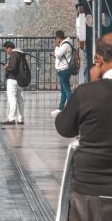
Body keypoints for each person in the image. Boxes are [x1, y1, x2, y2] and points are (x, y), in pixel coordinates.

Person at [55, 33, 112, 220]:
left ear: (99, 59)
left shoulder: (86, 93)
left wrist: (94, 86)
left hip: (91, 192)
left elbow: (64, 128)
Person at [1, 41, 27, 126]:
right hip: (19, 80)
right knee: (19, 99)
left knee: (12, 98)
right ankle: (21, 119)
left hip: (12, 80)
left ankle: (11, 119)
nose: (6, 51)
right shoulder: (20, 54)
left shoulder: (13, 55)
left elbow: (12, 69)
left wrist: (6, 67)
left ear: (9, 48)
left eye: (6, 49)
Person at [53, 30, 74, 117]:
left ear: (58, 38)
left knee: (67, 90)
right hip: (62, 69)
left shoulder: (65, 45)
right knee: (64, 91)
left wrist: (56, 47)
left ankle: (71, 108)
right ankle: (61, 108)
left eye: (56, 39)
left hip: (64, 70)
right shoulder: (66, 44)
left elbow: (58, 55)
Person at [76, 5, 88, 85]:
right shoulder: (80, 20)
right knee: (83, 68)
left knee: (83, 68)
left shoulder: (80, 19)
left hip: (82, 49)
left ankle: (83, 84)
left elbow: (81, 37)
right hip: (82, 48)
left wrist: (80, 47)